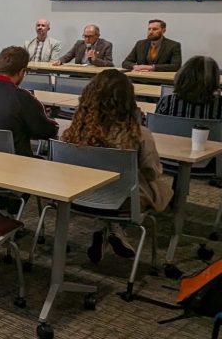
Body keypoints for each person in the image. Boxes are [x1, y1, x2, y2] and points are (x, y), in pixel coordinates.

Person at [61, 69, 172, 261]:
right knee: (159, 187)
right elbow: (152, 171)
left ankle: (106, 227)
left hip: (81, 195)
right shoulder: (139, 134)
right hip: (125, 201)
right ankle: (114, 229)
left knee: (110, 189)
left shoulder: (75, 131)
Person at [154, 56, 222, 119]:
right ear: (215, 79)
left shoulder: (167, 102)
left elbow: (155, 126)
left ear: (182, 75)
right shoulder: (219, 105)